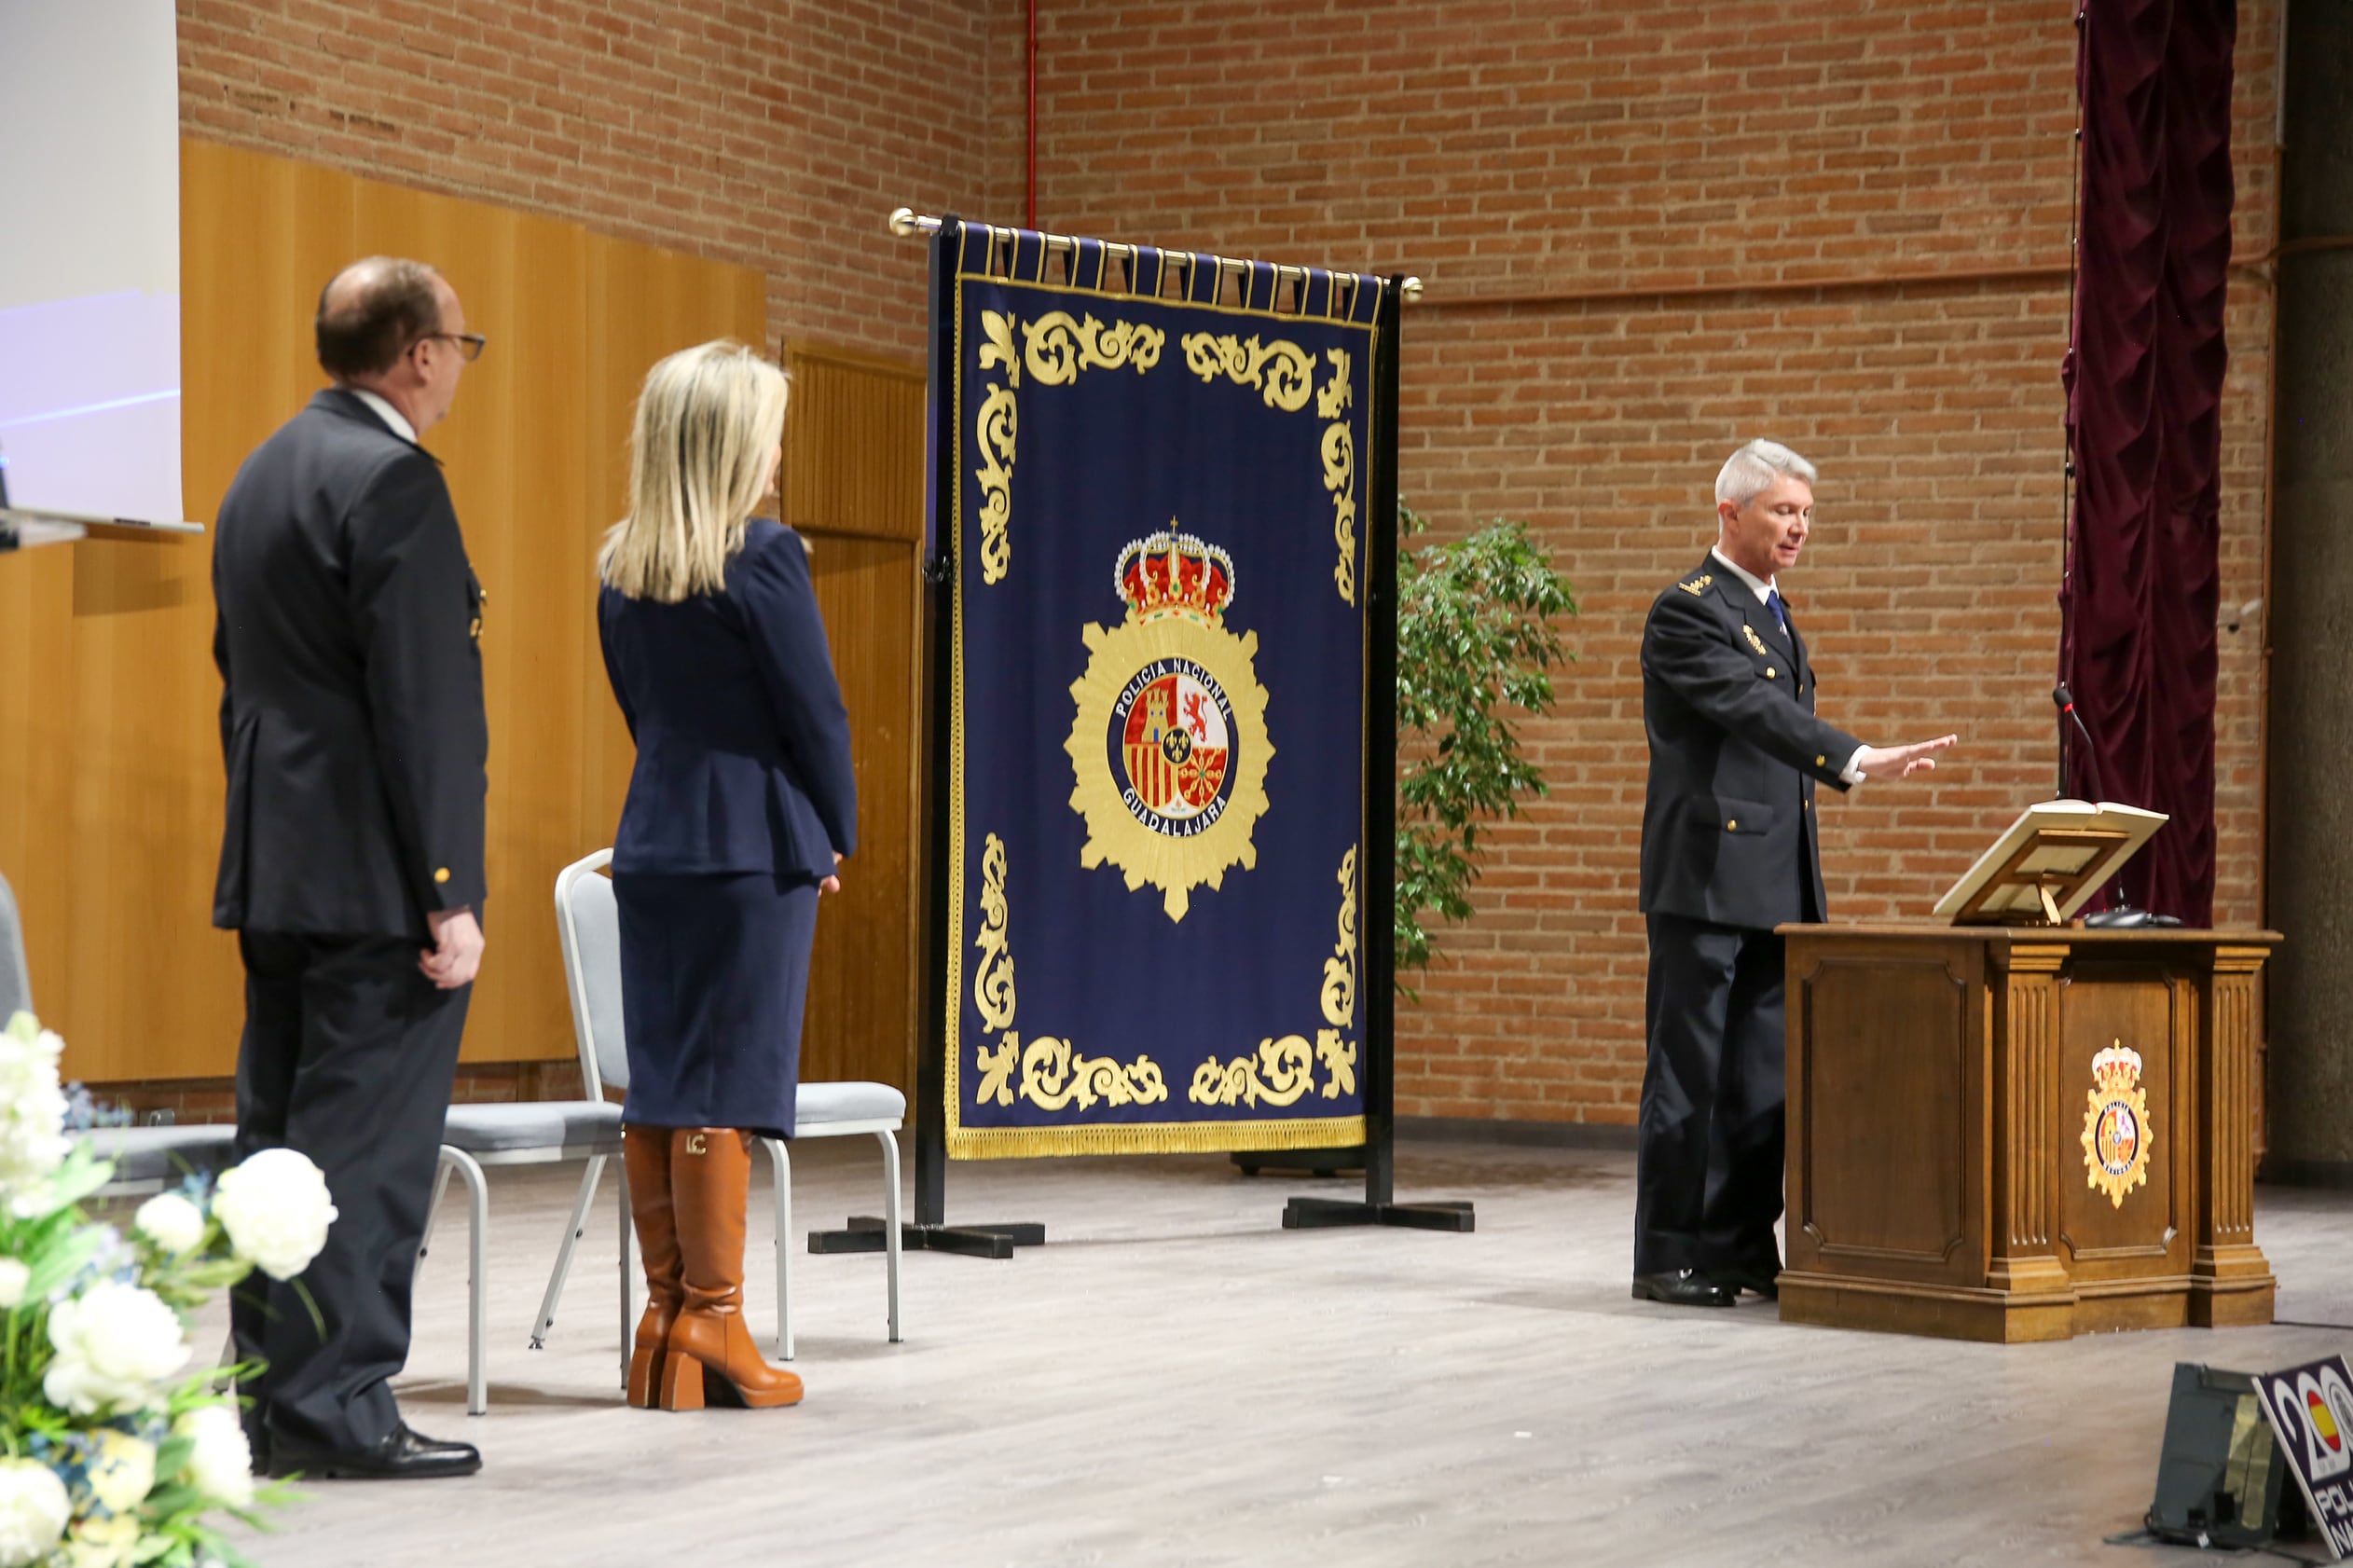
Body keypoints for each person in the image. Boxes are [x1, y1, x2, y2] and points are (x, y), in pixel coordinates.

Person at [212, 256, 489, 1476]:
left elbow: (244, 674)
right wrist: (448, 890)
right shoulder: (396, 481)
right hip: (379, 877)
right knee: (360, 1151)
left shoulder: (259, 473)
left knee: (274, 1138)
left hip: (277, 862)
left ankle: (270, 1401)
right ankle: (343, 1406)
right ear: (421, 352)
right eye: (463, 346)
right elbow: (421, 707)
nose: (461, 369)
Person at [1632, 439, 1956, 1310]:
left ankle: (1739, 1248)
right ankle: (1666, 1256)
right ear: (1730, 513)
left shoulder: (1775, 612)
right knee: (1689, 1075)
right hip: (1705, 879)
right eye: (1783, 510)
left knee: (1758, 1083)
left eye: (1806, 513)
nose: (1799, 527)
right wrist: (1857, 757)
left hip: (1774, 882)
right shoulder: (1686, 611)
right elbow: (1752, 709)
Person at [596, 341, 856, 1411]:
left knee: (662, 1086)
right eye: (769, 431)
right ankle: (714, 1316)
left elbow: (639, 713)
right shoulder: (763, 556)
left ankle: (663, 1322)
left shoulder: (620, 563)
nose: (779, 451)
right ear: (729, 443)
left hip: (654, 845)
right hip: (752, 846)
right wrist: (829, 830)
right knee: (729, 1086)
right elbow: (815, 713)